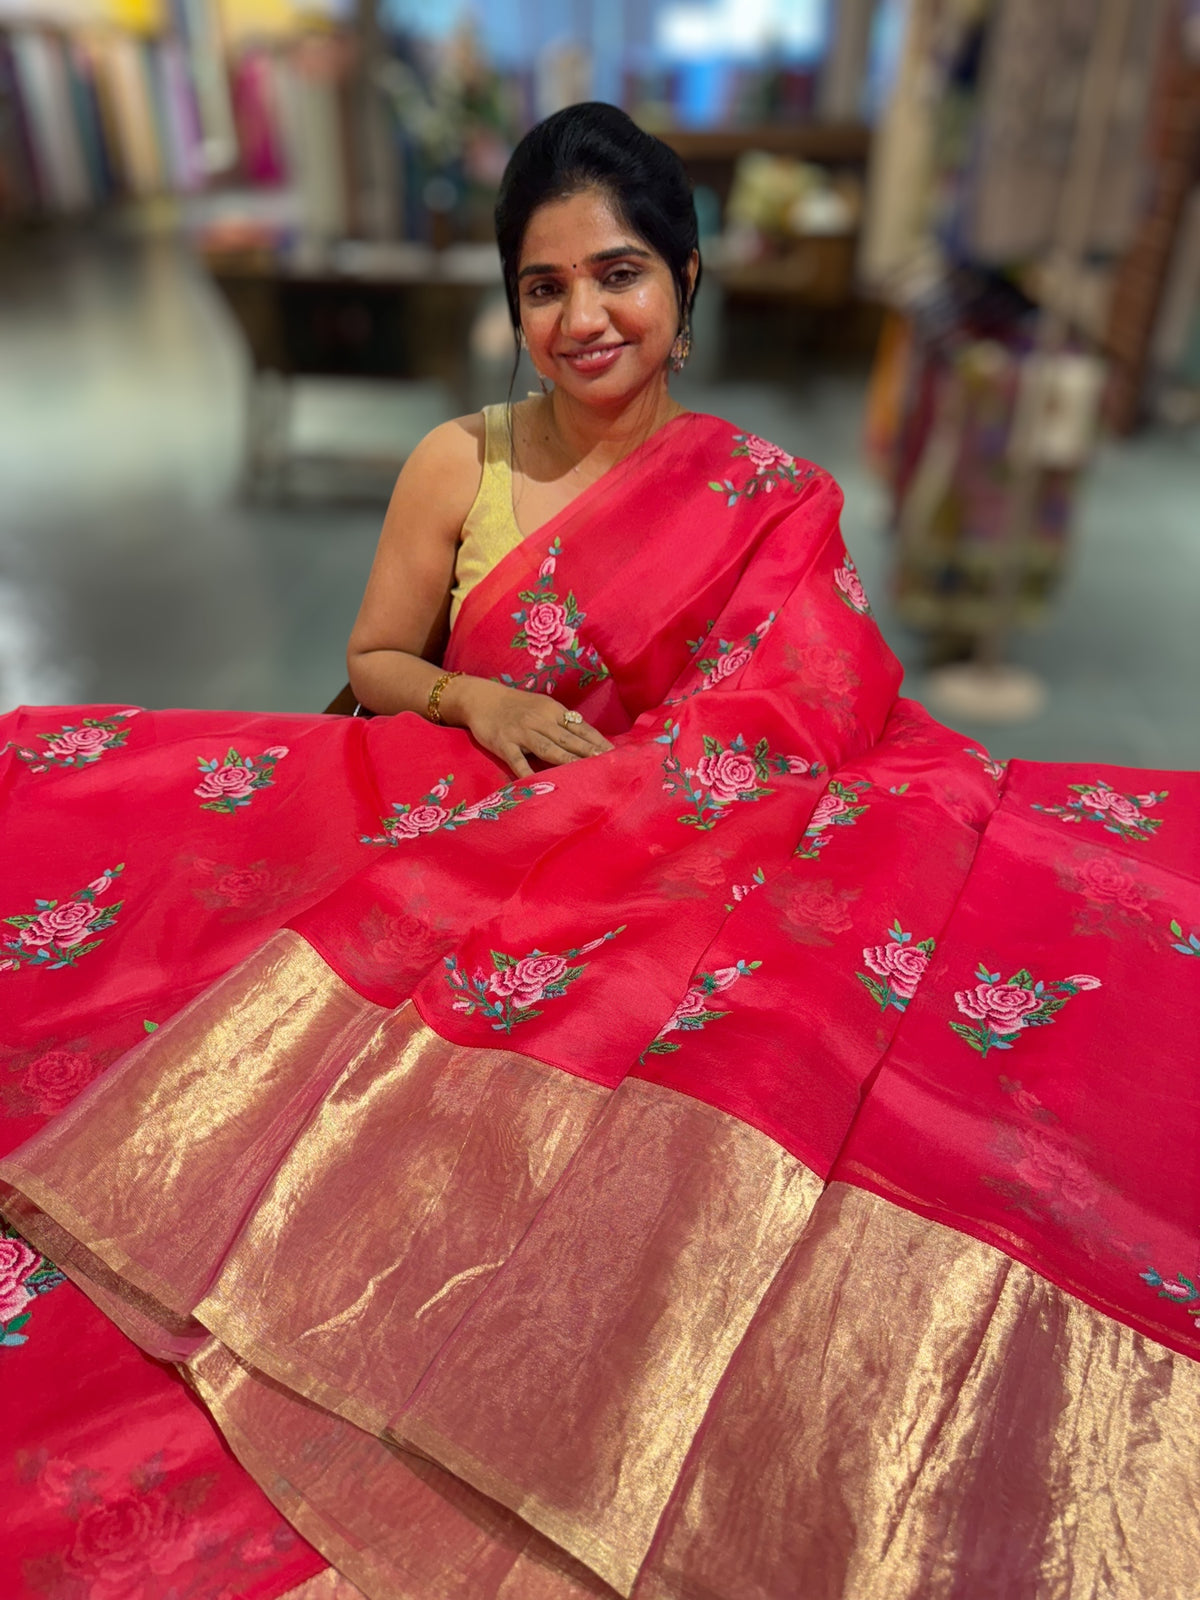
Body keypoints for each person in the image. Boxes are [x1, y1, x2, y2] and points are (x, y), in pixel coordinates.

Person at [2, 102, 1199, 1600]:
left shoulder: (767, 497)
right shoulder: (463, 461)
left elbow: (819, 696)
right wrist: (470, 691)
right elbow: (373, 656)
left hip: (679, 840)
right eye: (543, 286)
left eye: (619, 273)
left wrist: (669, 793)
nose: (584, 317)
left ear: (686, 290)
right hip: (466, 808)